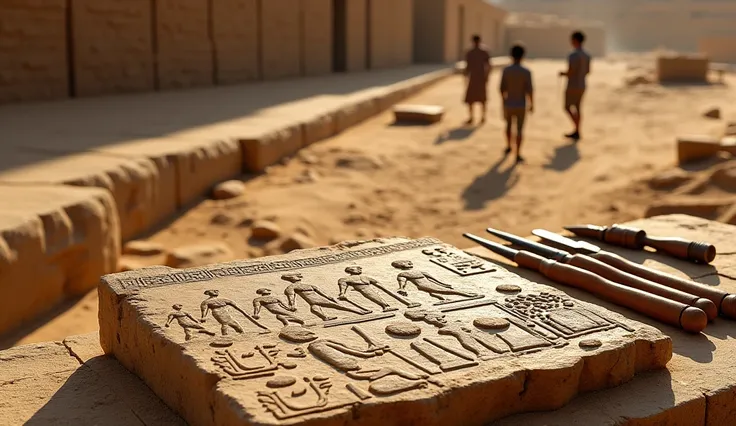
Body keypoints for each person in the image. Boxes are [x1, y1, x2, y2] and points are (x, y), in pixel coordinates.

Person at [499, 43, 534, 163]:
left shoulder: (506, 71)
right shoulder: (526, 72)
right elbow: (530, 90)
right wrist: (532, 103)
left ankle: (509, 146)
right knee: (519, 130)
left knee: (508, 126)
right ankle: (517, 153)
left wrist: (504, 101)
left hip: (509, 103)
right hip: (521, 104)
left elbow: (502, 89)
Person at [559, 31, 591, 141]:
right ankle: (577, 130)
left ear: (575, 40)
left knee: (567, 107)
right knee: (578, 108)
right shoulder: (587, 55)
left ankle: (576, 128)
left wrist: (563, 74)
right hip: (582, 84)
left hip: (573, 85)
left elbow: (571, 71)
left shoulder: (573, 55)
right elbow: (588, 71)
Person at [463, 35, 492, 125]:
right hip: (477, 77)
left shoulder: (475, 52)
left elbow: (488, 65)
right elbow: (488, 65)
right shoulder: (474, 52)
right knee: (475, 98)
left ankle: (478, 117)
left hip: (477, 77)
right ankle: (476, 117)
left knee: (479, 98)